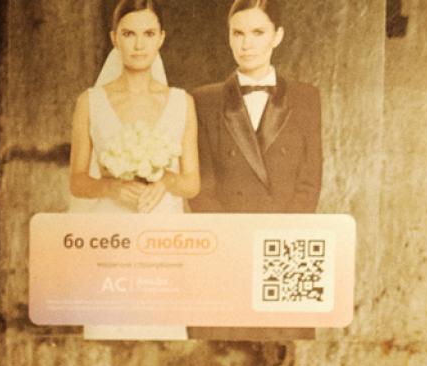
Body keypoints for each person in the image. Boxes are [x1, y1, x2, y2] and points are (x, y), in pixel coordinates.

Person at [69, 0, 200, 341]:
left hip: (163, 230)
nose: (139, 44)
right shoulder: (90, 102)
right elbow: (78, 182)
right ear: (115, 38)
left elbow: (192, 183)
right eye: (129, 34)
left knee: (162, 332)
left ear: (161, 38)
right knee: (109, 329)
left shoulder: (181, 102)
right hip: (110, 232)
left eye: (148, 33)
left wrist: (167, 181)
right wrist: (110, 187)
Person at [191, 0, 321, 216]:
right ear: (229, 37)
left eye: (258, 33)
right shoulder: (205, 100)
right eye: (238, 33)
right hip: (228, 234)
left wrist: (282, 235)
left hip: (283, 235)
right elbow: (202, 190)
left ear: (277, 36)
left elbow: (309, 183)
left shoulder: (305, 98)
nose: (246, 44)